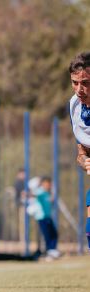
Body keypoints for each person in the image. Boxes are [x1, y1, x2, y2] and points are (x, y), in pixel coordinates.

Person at [68, 51, 90, 252]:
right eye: (75, 83)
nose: (79, 89)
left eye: (85, 83)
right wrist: (84, 161)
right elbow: (81, 151)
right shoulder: (74, 106)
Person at [29, 177, 60, 260]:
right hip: (42, 217)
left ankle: (52, 250)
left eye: (49, 184)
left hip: (48, 217)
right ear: (43, 184)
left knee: (54, 234)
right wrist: (32, 189)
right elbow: (34, 194)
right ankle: (48, 252)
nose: (48, 186)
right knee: (47, 235)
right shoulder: (40, 192)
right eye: (47, 184)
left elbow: (50, 201)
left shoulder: (47, 193)